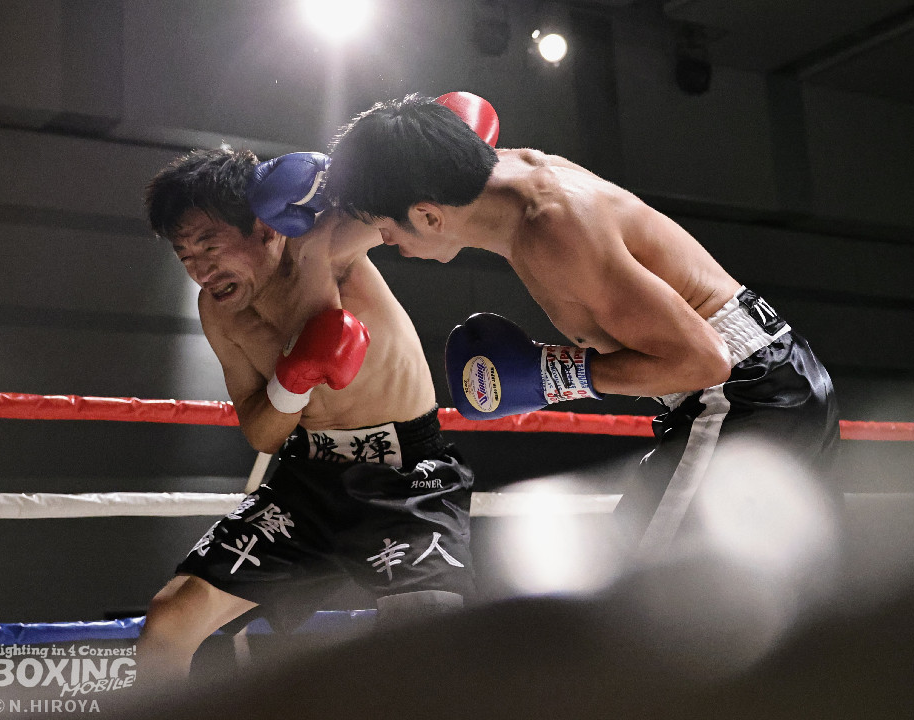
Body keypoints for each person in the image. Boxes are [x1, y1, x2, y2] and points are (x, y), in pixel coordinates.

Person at [322, 92, 842, 558]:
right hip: (771, 381)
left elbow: (704, 361)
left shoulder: (555, 231)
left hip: (745, 395)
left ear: (429, 216)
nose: (388, 244)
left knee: (641, 589)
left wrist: (553, 374)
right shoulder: (487, 171)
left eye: (387, 231)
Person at [138, 147, 476, 683]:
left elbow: (412, 194)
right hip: (309, 479)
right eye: (185, 256)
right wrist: (291, 383)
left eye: (210, 245)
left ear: (264, 228)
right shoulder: (218, 312)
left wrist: (436, 140)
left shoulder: (323, 247)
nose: (201, 269)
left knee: (425, 637)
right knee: (169, 620)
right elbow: (262, 432)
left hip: (406, 476)